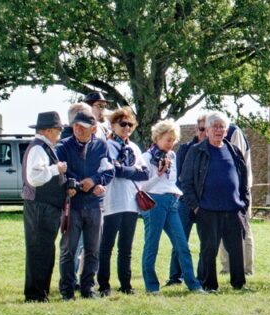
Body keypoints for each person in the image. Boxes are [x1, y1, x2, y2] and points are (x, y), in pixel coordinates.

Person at [180, 113, 250, 291]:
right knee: (209, 250)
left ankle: (239, 284)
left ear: (227, 131)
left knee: (236, 250)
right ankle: (209, 285)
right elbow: (186, 182)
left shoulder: (234, 151)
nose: (219, 130)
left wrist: (244, 203)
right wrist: (196, 207)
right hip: (207, 210)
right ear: (208, 130)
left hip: (234, 209)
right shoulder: (196, 151)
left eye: (222, 127)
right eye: (215, 127)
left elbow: (243, 179)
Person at [139, 120, 206, 294]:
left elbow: (173, 180)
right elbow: (142, 187)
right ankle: (152, 287)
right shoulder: (146, 158)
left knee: (182, 244)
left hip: (172, 202)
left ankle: (193, 284)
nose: (171, 144)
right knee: (152, 244)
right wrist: (159, 173)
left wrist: (176, 193)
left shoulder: (172, 156)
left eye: (173, 140)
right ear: (157, 138)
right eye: (168, 139)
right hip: (154, 202)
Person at [55, 112, 114, 300]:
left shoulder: (101, 145)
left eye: (83, 126)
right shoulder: (63, 146)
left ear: (94, 129)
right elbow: (60, 171)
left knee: (93, 249)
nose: (78, 129)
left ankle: (88, 288)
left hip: (94, 205)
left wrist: (96, 181)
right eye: (76, 126)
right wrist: (77, 183)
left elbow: (108, 171)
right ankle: (67, 290)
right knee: (68, 249)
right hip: (72, 205)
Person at [98, 107, 148, 296]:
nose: (127, 128)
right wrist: (131, 171)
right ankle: (104, 284)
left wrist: (126, 170)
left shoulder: (134, 148)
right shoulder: (107, 146)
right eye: (123, 124)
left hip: (131, 202)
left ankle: (126, 284)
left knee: (125, 247)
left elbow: (145, 173)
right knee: (107, 246)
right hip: (112, 201)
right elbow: (114, 171)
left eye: (130, 125)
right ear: (113, 125)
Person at [21, 112, 68, 302]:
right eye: (58, 130)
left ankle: (40, 293)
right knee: (39, 250)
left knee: (45, 249)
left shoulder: (43, 147)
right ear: (48, 130)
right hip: (41, 206)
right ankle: (35, 294)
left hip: (45, 206)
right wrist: (56, 169)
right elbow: (35, 178)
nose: (60, 134)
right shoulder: (39, 149)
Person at [166, 114, 208, 286]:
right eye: (202, 129)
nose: (204, 133)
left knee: (206, 243)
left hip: (206, 204)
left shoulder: (215, 150)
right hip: (185, 202)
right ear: (197, 130)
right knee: (180, 240)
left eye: (207, 129)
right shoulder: (185, 149)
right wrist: (188, 200)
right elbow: (180, 177)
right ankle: (175, 277)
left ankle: (201, 277)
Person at [218, 121, 256, 277]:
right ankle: (226, 267)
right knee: (221, 229)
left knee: (243, 229)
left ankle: (246, 269)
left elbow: (237, 162)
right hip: (221, 192)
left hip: (239, 191)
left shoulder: (234, 132)